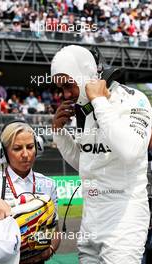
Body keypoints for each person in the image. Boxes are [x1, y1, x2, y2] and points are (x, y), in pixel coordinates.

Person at [51, 45, 152, 264]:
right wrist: (59, 133)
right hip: (90, 220)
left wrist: (99, 102)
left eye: (68, 85)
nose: (66, 94)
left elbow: (131, 151)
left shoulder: (135, 99)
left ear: (86, 75)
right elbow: (86, 163)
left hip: (124, 219)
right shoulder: (83, 111)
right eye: (61, 88)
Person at [0, 121, 60, 264]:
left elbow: (55, 229)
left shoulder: (48, 184)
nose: (25, 154)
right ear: (3, 152)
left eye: (30, 147)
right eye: (17, 148)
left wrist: (50, 249)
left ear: (38, 148)